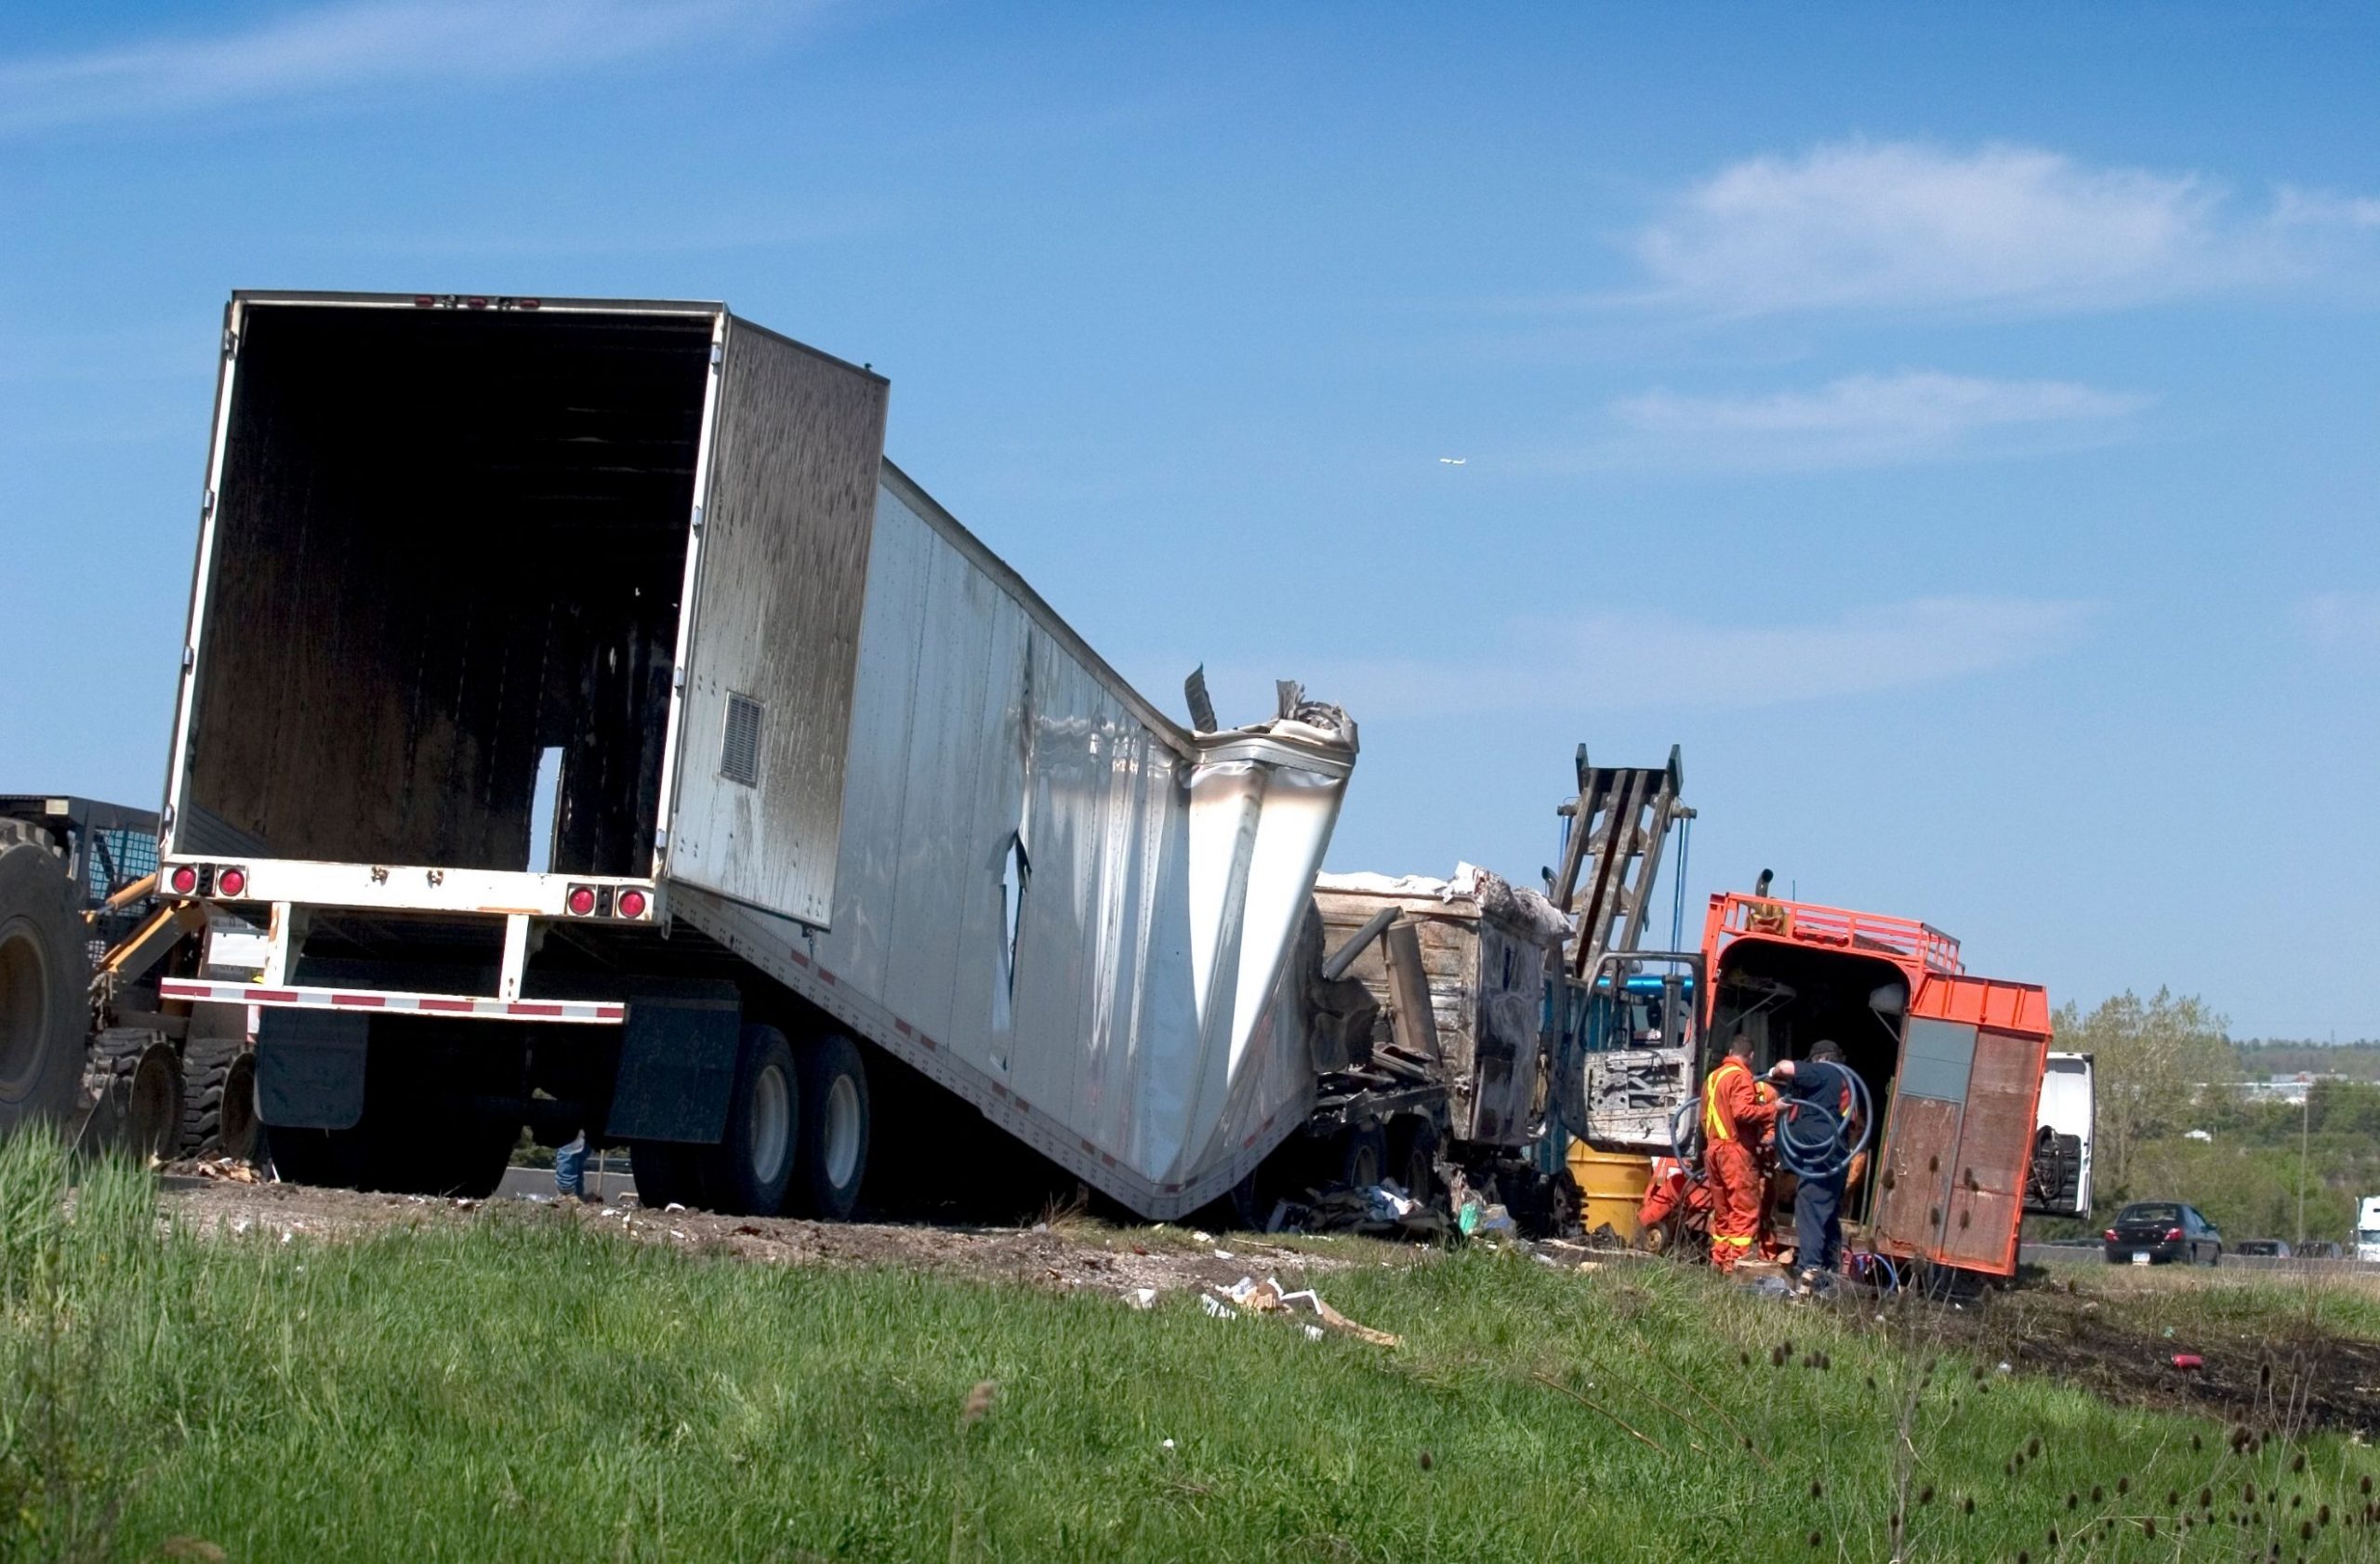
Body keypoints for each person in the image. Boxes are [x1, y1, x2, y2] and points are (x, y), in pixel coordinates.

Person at [1769, 1040, 1859, 1290]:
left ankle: (1809, 1270)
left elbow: (1787, 1068)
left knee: (1808, 1204)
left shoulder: (1824, 1070)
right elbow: (1851, 1125)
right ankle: (1831, 1272)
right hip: (1836, 1157)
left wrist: (1774, 1071)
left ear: (1819, 1059)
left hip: (1819, 1155)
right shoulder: (1846, 1082)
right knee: (1827, 1214)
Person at [1699, 1033, 1776, 1274]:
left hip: (1713, 1150)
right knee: (1743, 1211)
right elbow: (1742, 1112)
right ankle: (1736, 1268)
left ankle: (1719, 1261)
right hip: (1734, 1152)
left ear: (1730, 1051)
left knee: (1723, 1212)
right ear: (1751, 1056)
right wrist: (1774, 1108)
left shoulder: (1712, 1078)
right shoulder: (1741, 1077)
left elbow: (1703, 1116)